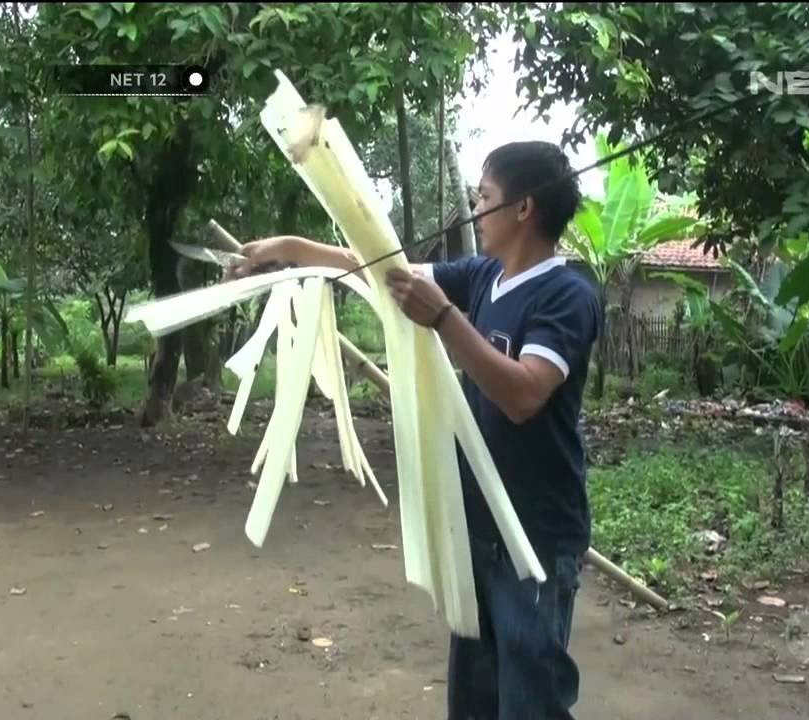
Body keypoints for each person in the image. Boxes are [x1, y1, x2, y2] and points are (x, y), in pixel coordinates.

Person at [231, 140, 601, 720]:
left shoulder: (568, 295)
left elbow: (525, 393)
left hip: (536, 530)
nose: (475, 211)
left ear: (524, 209)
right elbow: (384, 268)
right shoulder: (484, 277)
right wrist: (290, 249)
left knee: (531, 699)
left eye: (484, 198)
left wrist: (445, 319)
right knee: (474, 697)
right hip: (475, 525)